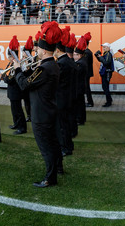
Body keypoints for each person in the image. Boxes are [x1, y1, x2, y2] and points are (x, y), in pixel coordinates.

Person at [14, 22, 62, 187]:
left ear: (44, 50)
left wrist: (17, 70)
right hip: (49, 110)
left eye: (38, 49)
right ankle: (58, 169)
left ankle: (50, 178)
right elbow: (33, 82)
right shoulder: (52, 65)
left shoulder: (44, 68)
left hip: (41, 114)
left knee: (46, 147)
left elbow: (25, 85)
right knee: (53, 143)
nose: (36, 52)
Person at [55, 26, 77, 157]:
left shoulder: (62, 63)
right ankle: (68, 145)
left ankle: (66, 148)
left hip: (62, 99)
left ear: (58, 50)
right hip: (69, 98)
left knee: (63, 125)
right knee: (66, 124)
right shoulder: (69, 61)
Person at [4, 37, 27, 135]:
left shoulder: (16, 64)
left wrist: (5, 78)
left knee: (18, 110)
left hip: (16, 92)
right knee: (14, 109)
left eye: (9, 57)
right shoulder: (12, 64)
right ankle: (16, 123)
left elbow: (10, 79)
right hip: (12, 91)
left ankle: (22, 127)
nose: (8, 58)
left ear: (12, 57)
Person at [74, 36, 89, 125]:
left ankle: (80, 119)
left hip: (79, 86)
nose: (74, 56)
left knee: (79, 104)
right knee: (80, 103)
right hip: (80, 85)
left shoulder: (80, 63)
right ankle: (81, 118)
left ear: (79, 55)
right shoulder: (82, 61)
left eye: (75, 54)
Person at [94, 43, 114, 107]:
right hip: (105, 72)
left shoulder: (108, 54)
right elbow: (102, 60)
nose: (104, 48)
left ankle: (109, 102)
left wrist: (100, 57)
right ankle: (109, 100)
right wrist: (97, 56)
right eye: (103, 47)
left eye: (105, 47)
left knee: (105, 87)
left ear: (108, 47)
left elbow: (106, 63)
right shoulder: (106, 54)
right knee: (105, 87)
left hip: (107, 73)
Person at [82, 32, 94, 108]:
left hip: (86, 73)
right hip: (87, 72)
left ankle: (90, 102)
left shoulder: (86, 52)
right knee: (86, 87)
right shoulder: (88, 52)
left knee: (87, 88)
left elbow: (85, 63)